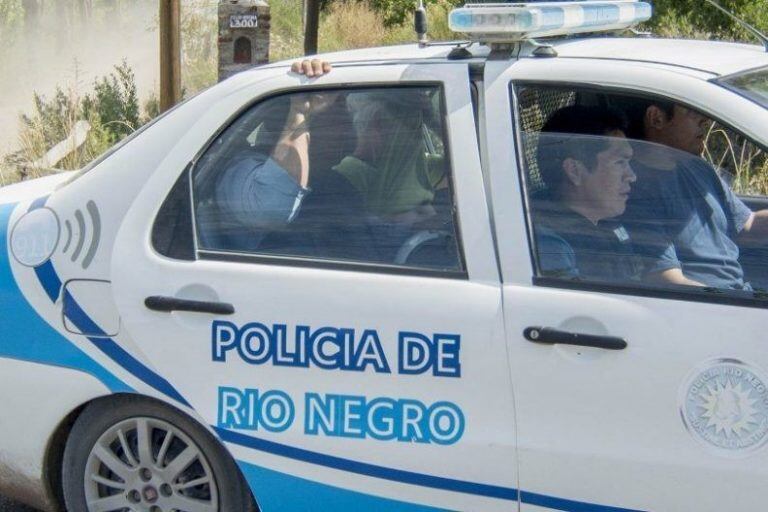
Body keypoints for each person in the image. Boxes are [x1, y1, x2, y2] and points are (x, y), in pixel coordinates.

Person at [625, 99, 768, 289]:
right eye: (693, 111)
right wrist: (734, 303)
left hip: (735, 295)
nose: (705, 121)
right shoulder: (632, 188)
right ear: (656, 118)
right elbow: (667, 280)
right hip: (708, 307)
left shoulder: (697, 167)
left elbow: (746, 224)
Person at [533, 105, 641, 282]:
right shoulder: (552, 248)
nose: (632, 176)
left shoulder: (607, 223)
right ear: (574, 170)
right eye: (620, 162)